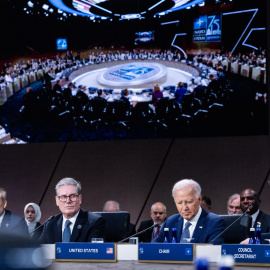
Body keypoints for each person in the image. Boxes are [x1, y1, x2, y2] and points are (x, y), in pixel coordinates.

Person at [153, 179, 226, 244]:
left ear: (199, 199)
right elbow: (154, 247)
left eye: (189, 202)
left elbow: (213, 253)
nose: (184, 208)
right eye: (179, 203)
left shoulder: (214, 222)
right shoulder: (171, 222)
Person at [39, 177, 105, 244]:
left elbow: (94, 252)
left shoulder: (94, 222)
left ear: (80, 199)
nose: (68, 201)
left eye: (72, 196)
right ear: (57, 201)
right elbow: (38, 251)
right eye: (63, 197)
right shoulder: (50, 224)